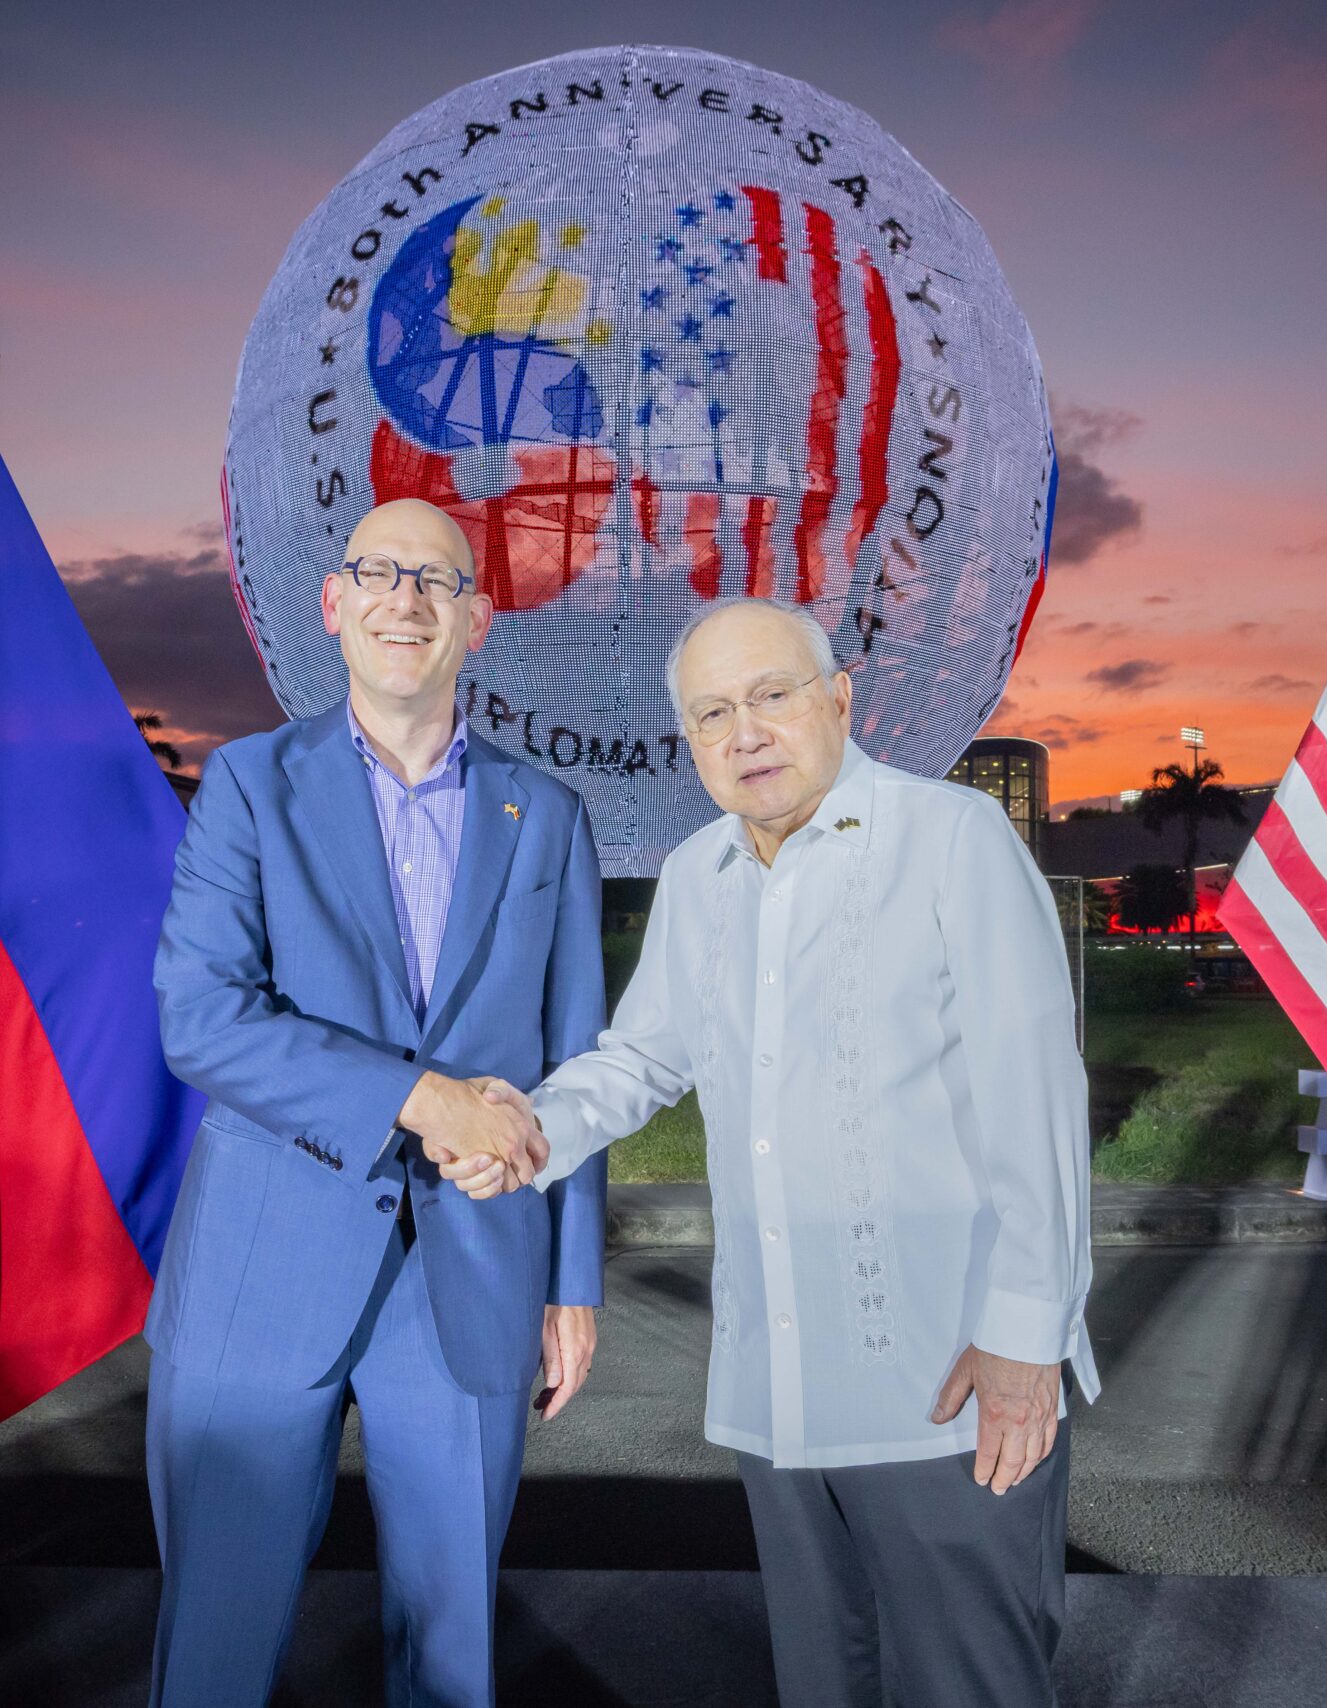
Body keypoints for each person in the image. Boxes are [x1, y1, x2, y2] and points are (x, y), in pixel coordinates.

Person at [450, 597, 1098, 1707]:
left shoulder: (951, 839)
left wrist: (1028, 1341)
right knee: (821, 1683)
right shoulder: (700, 875)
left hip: (949, 1385)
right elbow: (642, 1058)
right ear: (688, 742)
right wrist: (530, 1132)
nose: (743, 731)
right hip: (780, 1389)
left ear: (838, 698)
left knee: (969, 1685)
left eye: (769, 695)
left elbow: (1033, 1101)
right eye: (710, 713)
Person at [144, 497, 604, 1707]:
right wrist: (419, 1098)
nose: (407, 596)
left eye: (438, 579)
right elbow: (199, 1017)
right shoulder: (248, 785)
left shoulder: (547, 816)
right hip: (263, 1261)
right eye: (379, 573)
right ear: (335, 605)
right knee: (215, 1639)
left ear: (478, 621)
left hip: (475, 1267)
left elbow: (575, 1062)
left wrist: (572, 1274)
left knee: (451, 1650)